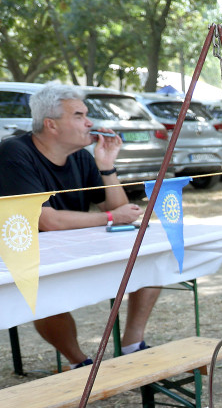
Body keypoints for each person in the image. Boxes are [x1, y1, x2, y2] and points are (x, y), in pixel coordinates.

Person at [0, 84, 159, 368]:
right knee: (41, 289)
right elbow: (46, 221)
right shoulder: (13, 153)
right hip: (22, 253)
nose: (89, 122)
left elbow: (115, 207)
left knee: (150, 253)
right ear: (51, 124)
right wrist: (112, 218)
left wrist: (107, 166)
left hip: (71, 245)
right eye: (79, 115)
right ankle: (80, 364)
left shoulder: (81, 156)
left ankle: (133, 343)